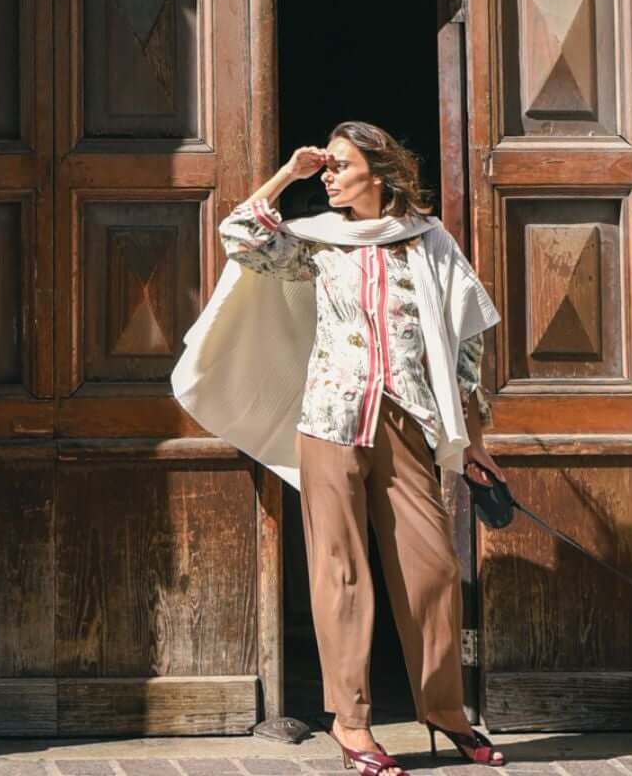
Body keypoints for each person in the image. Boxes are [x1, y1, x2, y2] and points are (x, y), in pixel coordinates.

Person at [171, 121, 506, 776]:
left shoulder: (429, 242)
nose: (328, 177)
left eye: (339, 166)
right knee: (341, 573)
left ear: (377, 174)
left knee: (434, 569)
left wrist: (475, 441)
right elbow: (240, 234)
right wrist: (289, 174)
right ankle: (352, 726)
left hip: (407, 419)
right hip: (331, 420)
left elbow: (466, 345)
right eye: (325, 168)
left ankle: (444, 711)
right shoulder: (318, 243)